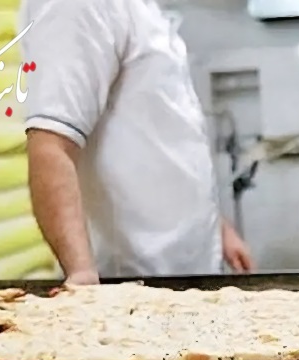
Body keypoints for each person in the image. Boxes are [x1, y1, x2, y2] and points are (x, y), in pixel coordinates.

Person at [19, 0, 252, 284]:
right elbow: (50, 145)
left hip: (183, 272)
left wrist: (217, 229)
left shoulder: (144, 8)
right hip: (131, 285)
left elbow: (162, 137)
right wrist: (82, 276)